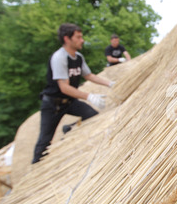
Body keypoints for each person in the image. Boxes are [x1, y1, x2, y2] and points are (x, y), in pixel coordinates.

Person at [32, 23, 115, 164]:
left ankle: (69, 129)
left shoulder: (78, 57)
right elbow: (64, 87)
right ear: (67, 39)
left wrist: (110, 83)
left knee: (92, 115)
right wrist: (89, 96)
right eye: (78, 37)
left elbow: (89, 75)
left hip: (69, 102)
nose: (82, 40)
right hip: (53, 104)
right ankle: (35, 167)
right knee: (45, 140)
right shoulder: (59, 57)